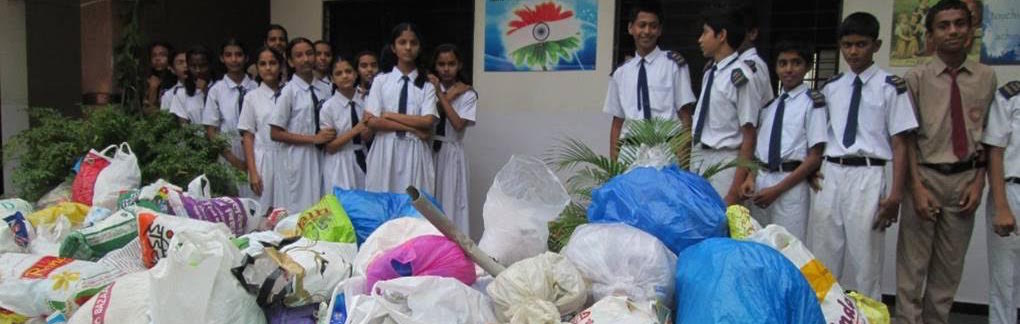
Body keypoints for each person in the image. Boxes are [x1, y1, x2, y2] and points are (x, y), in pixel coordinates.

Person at [895, 1, 998, 323]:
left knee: (948, 272)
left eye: (959, 24)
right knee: (912, 270)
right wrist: (916, 187)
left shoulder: (986, 77)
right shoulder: (916, 78)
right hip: (924, 178)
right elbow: (907, 139)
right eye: (944, 26)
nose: (952, 31)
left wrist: (979, 183)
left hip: (964, 182)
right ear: (931, 35)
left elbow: (989, 138)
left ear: (970, 31)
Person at [808, 12, 917, 300]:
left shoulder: (891, 86)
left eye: (861, 44)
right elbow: (820, 137)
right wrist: (813, 169)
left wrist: (895, 195)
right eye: (847, 45)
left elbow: (900, 144)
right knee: (824, 256)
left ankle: (869, 317)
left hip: (868, 175)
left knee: (866, 261)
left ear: (876, 45)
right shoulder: (832, 88)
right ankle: (825, 315)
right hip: (832, 172)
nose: (853, 52)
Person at [740, 39, 826, 241]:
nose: (789, 69)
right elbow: (758, 150)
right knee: (760, 246)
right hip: (761, 184)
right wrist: (751, 177)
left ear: (808, 67)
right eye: (783, 63)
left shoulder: (812, 104)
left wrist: (777, 190)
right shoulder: (769, 107)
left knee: (790, 248)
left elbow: (814, 157)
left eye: (796, 63)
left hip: (789, 187)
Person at [687, 7, 765, 205]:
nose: (700, 39)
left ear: (721, 35)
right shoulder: (710, 73)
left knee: (722, 224)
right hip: (700, 157)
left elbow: (749, 136)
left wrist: (733, 192)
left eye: (705, 32)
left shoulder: (740, 76)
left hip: (724, 162)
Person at [603, 0, 696, 161]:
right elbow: (617, 123)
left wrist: (684, 161)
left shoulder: (674, 65)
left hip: (666, 151)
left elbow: (685, 116)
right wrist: (614, 167)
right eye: (642, 25)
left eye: (653, 26)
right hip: (630, 153)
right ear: (631, 28)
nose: (647, 31)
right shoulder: (620, 73)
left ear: (659, 30)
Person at [363, 23, 438, 194]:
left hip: (415, 151)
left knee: (413, 207)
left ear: (419, 48)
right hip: (385, 150)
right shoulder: (381, 81)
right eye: (402, 42)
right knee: (382, 203)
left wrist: (389, 115)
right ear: (393, 48)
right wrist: (412, 127)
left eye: (413, 43)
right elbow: (373, 122)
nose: (408, 47)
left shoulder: (426, 85)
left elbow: (427, 121)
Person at [269, 38, 335, 212]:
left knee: (322, 205)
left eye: (309, 53)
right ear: (290, 62)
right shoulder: (288, 92)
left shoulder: (326, 89)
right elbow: (275, 133)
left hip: (321, 156)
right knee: (298, 208)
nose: (305, 59)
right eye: (299, 55)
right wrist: (313, 139)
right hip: (297, 157)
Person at [430, 43, 477, 235]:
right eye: (441, 64)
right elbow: (429, 117)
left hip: (451, 152)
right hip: (429, 149)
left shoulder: (467, 93)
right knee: (430, 200)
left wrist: (442, 96)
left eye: (451, 64)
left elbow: (458, 124)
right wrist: (446, 96)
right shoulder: (427, 89)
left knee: (451, 202)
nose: (446, 69)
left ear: (459, 65)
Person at [202, 38, 259, 197]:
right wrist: (233, 160)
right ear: (222, 58)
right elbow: (211, 131)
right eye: (229, 55)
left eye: (239, 55)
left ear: (246, 58)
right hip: (228, 153)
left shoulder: (256, 88)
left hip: (255, 151)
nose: (234, 59)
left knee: (257, 201)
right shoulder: (216, 90)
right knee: (233, 203)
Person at [984, 80, 1020, 324]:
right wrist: (1001, 206)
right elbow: (994, 151)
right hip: (1012, 191)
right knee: (1004, 279)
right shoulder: (1010, 96)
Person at [238, 47, 287, 218]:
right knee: (263, 210)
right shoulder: (252, 97)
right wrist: (253, 172)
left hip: (287, 156)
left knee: (285, 209)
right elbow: (248, 135)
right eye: (263, 64)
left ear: (280, 66)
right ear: (257, 68)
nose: (268, 68)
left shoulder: (288, 93)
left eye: (272, 63)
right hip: (263, 157)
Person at [320, 57, 372, 191]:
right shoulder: (328, 107)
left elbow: (368, 136)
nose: (344, 76)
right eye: (338, 73)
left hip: (363, 158)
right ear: (332, 79)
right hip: (339, 162)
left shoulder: (366, 102)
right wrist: (355, 130)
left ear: (355, 74)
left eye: (348, 71)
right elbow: (330, 147)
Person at [169, 45, 213, 124]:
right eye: (193, 66)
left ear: (210, 65)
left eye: (202, 66)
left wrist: (206, 92)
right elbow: (183, 125)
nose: (198, 70)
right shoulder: (181, 93)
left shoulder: (220, 88)